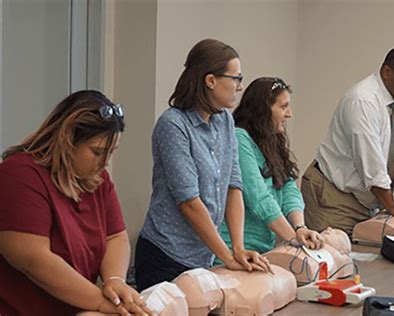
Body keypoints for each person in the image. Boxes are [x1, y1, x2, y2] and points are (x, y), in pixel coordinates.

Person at [135, 39, 271, 292]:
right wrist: (228, 257)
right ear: (210, 81)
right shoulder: (173, 125)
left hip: (203, 256)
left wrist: (238, 248)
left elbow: (234, 185)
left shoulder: (225, 122)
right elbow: (188, 201)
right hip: (166, 256)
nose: (239, 87)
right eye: (236, 79)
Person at [0, 90, 152, 315]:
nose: (105, 162)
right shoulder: (20, 175)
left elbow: (116, 236)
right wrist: (102, 302)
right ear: (67, 139)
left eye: (112, 152)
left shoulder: (97, 180)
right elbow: (33, 259)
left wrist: (115, 280)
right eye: (97, 152)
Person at [302, 46, 394, 236]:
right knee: (338, 257)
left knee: (370, 256)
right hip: (334, 195)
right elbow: (371, 164)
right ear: (386, 72)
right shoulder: (362, 100)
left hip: (369, 198)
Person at [220, 77, 323, 254]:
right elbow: (258, 197)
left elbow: (288, 187)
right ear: (263, 110)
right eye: (283, 107)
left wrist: (300, 228)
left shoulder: (272, 139)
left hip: (262, 249)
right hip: (235, 250)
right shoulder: (239, 137)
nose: (289, 114)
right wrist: (294, 240)